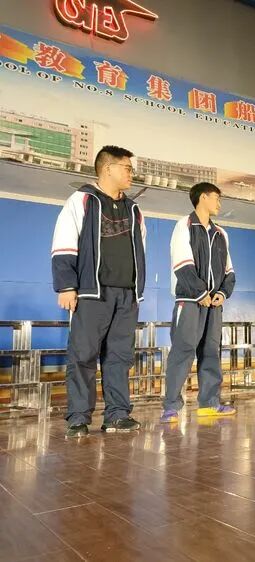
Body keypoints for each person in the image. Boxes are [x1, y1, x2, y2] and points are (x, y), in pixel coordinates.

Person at [51, 145, 146, 437]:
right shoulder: (82, 200)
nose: (131, 173)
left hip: (126, 295)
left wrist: (137, 291)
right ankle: (78, 418)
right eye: (126, 168)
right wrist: (66, 285)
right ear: (107, 168)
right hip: (92, 293)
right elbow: (64, 242)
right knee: (83, 355)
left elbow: (140, 249)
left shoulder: (134, 209)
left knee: (120, 357)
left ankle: (117, 415)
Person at [160, 183, 237, 423]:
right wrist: (200, 292)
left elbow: (229, 271)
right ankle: (171, 407)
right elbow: (182, 263)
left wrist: (222, 293)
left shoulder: (221, 234)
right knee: (183, 351)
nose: (219, 203)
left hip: (213, 304)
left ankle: (209, 403)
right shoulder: (184, 225)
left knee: (211, 352)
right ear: (203, 197)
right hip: (190, 300)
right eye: (216, 198)